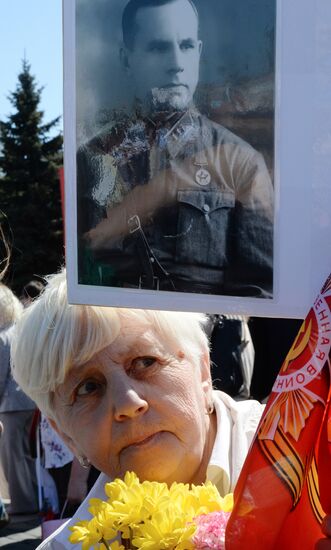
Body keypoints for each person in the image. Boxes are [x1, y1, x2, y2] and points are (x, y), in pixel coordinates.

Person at [11, 269, 263, 548]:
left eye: (145, 362)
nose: (128, 404)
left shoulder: (310, 456)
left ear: (202, 371)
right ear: (65, 435)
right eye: (88, 388)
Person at [77, 0, 274, 298]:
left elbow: (259, 289)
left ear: (199, 52)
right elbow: (83, 269)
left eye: (185, 46)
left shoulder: (240, 162)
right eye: (158, 47)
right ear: (126, 59)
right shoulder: (93, 159)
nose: (176, 62)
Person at [0, 283, 38, 515]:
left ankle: (23, 504)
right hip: (31, 401)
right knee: (27, 455)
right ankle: (32, 500)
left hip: (11, 405)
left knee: (13, 457)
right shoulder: (22, 330)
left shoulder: (3, 337)